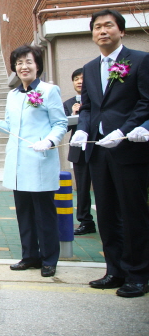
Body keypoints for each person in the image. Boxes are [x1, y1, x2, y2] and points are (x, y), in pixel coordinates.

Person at [0, 45, 67, 278]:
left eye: (28, 62)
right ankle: (30, 255)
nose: (24, 66)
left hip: (40, 160)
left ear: (38, 65)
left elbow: (60, 124)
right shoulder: (12, 95)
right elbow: (11, 128)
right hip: (18, 164)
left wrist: (50, 142)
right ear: (14, 67)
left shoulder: (49, 91)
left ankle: (49, 259)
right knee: (24, 213)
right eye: (19, 63)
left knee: (45, 214)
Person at [70, 9, 149, 298]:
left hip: (128, 149)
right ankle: (114, 269)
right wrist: (83, 129)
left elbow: (145, 102)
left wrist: (124, 130)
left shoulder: (139, 60)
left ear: (121, 31)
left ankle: (139, 274)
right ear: (92, 34)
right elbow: (89, 108)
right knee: (105, 213)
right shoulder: (90, 68)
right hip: (98, 152)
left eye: (108, 26)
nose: (102, 31)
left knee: (133, 213)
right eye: (97, 27)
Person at [63, 68, 95, 235]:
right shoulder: (68, 104)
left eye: (82, 78)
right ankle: (85, 221)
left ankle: (110, 219)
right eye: (76, 79)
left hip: (97, 147)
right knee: (82, 187)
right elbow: (64, 127)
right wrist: (75, 113)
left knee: (102, 185)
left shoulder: (98, 99)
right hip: (78, 150)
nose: (79, 81)